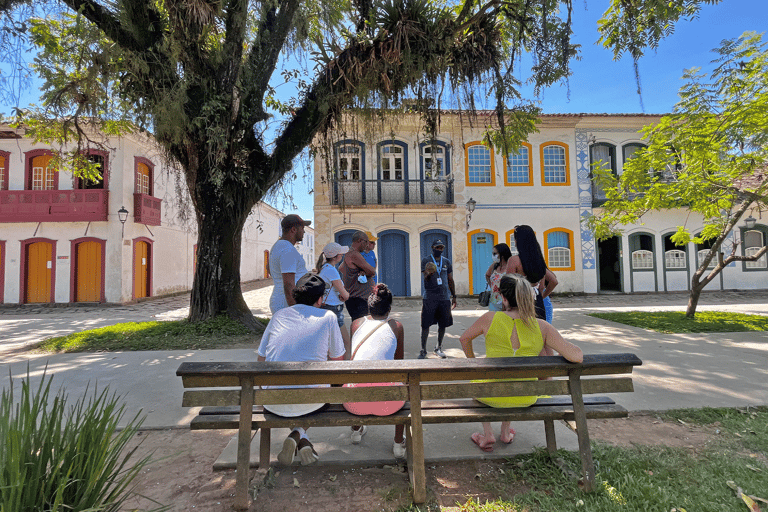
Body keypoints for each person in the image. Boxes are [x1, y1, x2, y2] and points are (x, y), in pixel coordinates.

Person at [459, 274, 583, 452]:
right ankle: (505, 433)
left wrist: (473, 364)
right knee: (514, 381)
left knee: (479, 382)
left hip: (489, 395)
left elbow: (464, 339)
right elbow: (576, 356)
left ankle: (487, 435)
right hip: (525, 397)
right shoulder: (541, 326)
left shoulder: (489, 318)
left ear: (503, 297)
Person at [256, 273, 346, 465]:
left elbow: (261, 359)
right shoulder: (328, 317)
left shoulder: (279, 315)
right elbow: (339, 361)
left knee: (294, 393)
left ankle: (300, 439)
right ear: (320, 299)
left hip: (272, 401)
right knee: (324, 389)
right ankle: (299, 434)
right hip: (311, 401)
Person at [343, 284, 407, 459]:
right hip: (388, 404)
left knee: (357, 376)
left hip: (354, 404)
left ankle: (356, 431)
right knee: (403, 382)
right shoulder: (396, 326)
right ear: (390, 308)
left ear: (368, 307)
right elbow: (399, 364)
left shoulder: (356, 324)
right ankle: (398, 442)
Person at [419, 239, 457, 359]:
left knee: (443, 324)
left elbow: (450, 279)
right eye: (437, 247)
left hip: (444, 298)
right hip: (430, 297)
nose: (439, 250)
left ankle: (438, 347)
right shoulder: (426, 260)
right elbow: (425, 277)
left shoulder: (446, 262)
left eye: (441, 248)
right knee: (425, 324)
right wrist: (429, 273)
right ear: (432, 248)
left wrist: (454, 296)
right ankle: (423, 349)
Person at [268, 214, 311, 314]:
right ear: (293, 230)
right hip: (287, 303)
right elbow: (288, 284)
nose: (304, 231)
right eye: (302, 228)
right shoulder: (287, 250)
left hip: (282, 300)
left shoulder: (278, 245)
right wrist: (295, 310)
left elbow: (269, 269)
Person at [316, 242, 352, 356]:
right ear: (336, 257)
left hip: (326, 307)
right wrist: (345, 294)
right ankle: (348, 369)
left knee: (328, 344)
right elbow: (345, 295)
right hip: (333, 309)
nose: (342, 256)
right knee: (346, 342)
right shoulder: (331, 270)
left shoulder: (324, 268)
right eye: (341, 254)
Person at [339, 231, 377, 322]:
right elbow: (372, 271)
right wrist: (364, 271)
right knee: (361, 327)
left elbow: (341, 268)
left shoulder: (349, 253)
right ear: (360, 240)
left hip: (355, 298)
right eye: (366, 242)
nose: (367, 245)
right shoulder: (354, 254)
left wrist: (358, 271)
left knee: (357, 325)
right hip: (359, 299)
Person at [485, 243, 513, 312]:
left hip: (506, 302)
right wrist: (491, 285)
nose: (493, 256)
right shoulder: (494, 265)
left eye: (495, 253)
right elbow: (487, 275)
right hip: (493, 300)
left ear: (502, 255)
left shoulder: (510, 267)